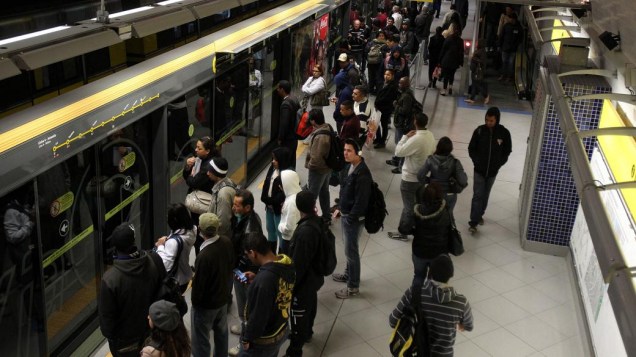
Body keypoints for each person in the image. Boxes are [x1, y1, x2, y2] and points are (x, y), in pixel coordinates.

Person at [389, 254, 473, 356]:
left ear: (430, 272)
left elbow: (392, 320)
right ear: (451, 275)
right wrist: (459, 325)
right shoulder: (461, 303)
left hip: (416, 353)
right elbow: (469, 326)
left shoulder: (414, 292)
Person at [99, 223, 162, 357]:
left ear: (115, 247)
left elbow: (107, 322)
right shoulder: (154, 260)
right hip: (152, 330)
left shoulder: (110, 279)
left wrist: (113, 338)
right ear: (133, 240)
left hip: (125, 342)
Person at [239, 233, 295, 357]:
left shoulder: (264, 281)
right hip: (281, 327)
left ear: (253, 253)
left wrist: (246, 338)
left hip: (264, 340)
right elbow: (276, 286)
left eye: (247, 254)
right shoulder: (286, 262)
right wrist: (258, 277)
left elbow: (258, 317)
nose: (248, 258)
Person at [284, 191, 324, 356]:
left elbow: (299, 264)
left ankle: (295, 349)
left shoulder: (305, 231)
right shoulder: (318, 222)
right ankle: (308, 332)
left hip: (304, 282)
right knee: (311, 304)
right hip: (314, 277)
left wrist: (291, 285)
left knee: (298, 314)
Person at [332, 139, 373, 299]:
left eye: (349, 150)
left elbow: (361, 201)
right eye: (344, 150)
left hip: (353, 218)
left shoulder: (362, 173)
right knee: (349, 249)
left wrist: (351, 218)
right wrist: (339, 208)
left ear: (358, 153)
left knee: (351, 252)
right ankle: (349, 274)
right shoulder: (352, 166)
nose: (345, 153)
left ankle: (353, 287)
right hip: (347, 214)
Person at [190, 213, 234, 357]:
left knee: (201, 340)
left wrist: (195, 303)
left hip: (206, 306)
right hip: (222, 300)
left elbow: (199, 287)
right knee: (222, 334)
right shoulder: (226, 242)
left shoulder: (204, 256)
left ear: (200, 230)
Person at [229, 189, 263, 356]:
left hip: (244, 272)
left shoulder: (250, 228)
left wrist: (238, 270)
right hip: (239, 268)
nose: (233, 208)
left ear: (247, 207)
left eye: (237, 205)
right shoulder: (243, 219)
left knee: (246, 307)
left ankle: (244, 340)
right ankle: (244, 326)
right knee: (244, 305)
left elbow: (249, 257)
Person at [392, 113, 436, 239]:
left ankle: (403, 232)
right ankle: (417, 227)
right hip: (422, 177)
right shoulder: (430, 136)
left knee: (408, 207)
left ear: (415, 122)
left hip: (410, 179)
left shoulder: (416, 139)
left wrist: (405, 137)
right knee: (418, 204)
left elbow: (398, 152)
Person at [468, 107, 512, 233]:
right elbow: (471, 148)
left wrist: (499, 164)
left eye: (491, 121)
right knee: (477, 195)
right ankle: (473, 222)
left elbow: (507, 151)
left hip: (492, 172)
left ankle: (480, 213)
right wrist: (476, 161)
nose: (488, 123)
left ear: (496, 120)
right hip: (479, 171)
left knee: (485, 195)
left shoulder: (504, 133)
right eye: (487, 120)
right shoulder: (479, 131)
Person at [410, 183, 452, 284]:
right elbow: (450, 228)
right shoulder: (445, 211)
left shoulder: (417, 211)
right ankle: (432, 297)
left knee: (418, 276)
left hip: (420, 250)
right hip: (438, 252)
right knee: (435, 279)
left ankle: (416, 297)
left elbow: (404, 228)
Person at [182, 136, 218, 253]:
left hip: (202, 203)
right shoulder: (199, 159)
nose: (196, 150)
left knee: (200, 235)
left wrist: (191, 176)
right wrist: (188, 167)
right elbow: (188, 178)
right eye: (196, 147)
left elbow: (193, 182)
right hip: (199, 200)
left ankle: (200, 261)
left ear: (207, 151)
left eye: (199, 148)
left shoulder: (208, 166)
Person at [418, 136, 468, 216]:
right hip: (450, 194)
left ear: (438, 147)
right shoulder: (455, 162)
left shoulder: (430, 160)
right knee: (448, 216)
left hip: (433, 193)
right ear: (450, 149)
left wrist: (429, 181)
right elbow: (462, 180)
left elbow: (420, 176)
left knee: (432, 215)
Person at [154, 203, 196, 293]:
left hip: (176, 281)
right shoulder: (192, 230)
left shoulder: (173, 243)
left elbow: (166, 265)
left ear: (174, 220)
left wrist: (160, 246)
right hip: (186, 275)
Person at [260, 147, 291, 253]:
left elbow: (283, 194)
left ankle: (280, 257)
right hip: (269, 208)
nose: (273, 161)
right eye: (273, 159)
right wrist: (265, 199)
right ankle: (271, 254)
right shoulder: (272, 169)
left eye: (276, 159)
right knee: (270, 230)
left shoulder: (287, 175)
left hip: (279, 210)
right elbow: (266, 183)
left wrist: (269, 201)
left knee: (280, 233)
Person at [304, 109, 332, 224]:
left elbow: (315, 160)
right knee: (324, 192)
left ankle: (309, 220)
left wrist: (309, 165)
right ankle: (326, 216)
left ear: (314, 121)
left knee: (311, 196)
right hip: (327, 168)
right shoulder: (328, 127)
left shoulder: (320, 136)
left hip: (318, 171)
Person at [386, 77, 416, 171]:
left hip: (402, 124)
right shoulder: (404, 93)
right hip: (399, 123)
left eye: (401, 83)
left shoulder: (407, 96)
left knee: (401, 144)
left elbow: (405, 111)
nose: (399, 85)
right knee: (397, 142)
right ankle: (397, 159)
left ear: (406, 84)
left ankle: (400, 166)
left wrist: (396, 105)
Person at [206, 157, 237, 238]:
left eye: (210, 171)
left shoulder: (223, 193)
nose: (207, 173)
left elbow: (223, 223)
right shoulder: (227, 182)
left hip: (222, 239)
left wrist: (213, 237)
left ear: (216, 173)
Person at [276, 80, 301, 170]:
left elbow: (284, 124)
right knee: (292, 158)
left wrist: (280, 138)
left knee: (285, 160)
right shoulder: (294, 98)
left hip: (288, 138)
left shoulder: (285, 104)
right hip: (294, 136)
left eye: (278, 88)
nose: (277, 90)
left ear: (282, 89)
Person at [278, 170, 302, 254]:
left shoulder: (291, 202)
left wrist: (280, 226)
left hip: (289, 240)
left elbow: (289, 227)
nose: (280, 187)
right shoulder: (299, 194)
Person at [373, 69, 399, 148]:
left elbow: (386, 98)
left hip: (385, 109)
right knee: (376, 123)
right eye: (385, 74)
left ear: (392, 76)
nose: (386, 76)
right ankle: (378, 138)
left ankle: (382, 141)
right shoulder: (382, 83)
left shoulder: (393, 86)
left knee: (384, 125)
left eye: (388, 75)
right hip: (378, 108)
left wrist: (377, 103)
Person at [438, 25, 464, 96]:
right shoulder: (460, 41)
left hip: (446, 60)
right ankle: (450, 88)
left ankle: (444, 90)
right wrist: (461, 62)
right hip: (455, 61)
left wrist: (440, 60)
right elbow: (461, 52)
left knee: (446, 76)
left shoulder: (448, 39)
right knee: (452, 75)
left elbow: (443, 50)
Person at [332, 54, 354, 133]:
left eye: (343, 62)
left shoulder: (352, 72)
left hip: (345, 101)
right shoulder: (344, 70)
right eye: (340, 62)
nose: (341, 63)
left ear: (347, 61)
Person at [498, 12, 522, 82]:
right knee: (504, 62)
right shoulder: (506, 26)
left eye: (511, 18)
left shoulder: (519, 28)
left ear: (514, 19)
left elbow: (520, 38)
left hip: (512, 49)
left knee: (510, 64)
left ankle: (508, 77)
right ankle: (503, 75)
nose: (510, 20)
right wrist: (500, 45)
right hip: (505, 48)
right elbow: (501, 36)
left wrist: (516, 45)